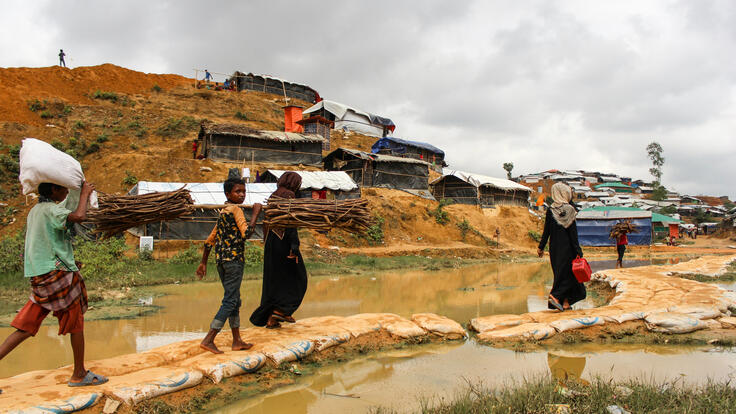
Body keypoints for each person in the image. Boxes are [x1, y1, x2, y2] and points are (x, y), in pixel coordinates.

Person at [0, 181, 108, 387]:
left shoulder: (35, 211)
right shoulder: (52, 209)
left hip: (40, 276)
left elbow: (51, 239)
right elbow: (79, 217)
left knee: (25, 327)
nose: (67, 192)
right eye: (63, 189)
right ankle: (79, 374)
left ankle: (79, 372)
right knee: (76, 321)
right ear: (54, 191)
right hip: (57, 275)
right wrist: (84, 193)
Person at [196, 177, 260, 354]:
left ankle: (237, 340)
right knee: (230, 300)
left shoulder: (223, 212)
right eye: (238, 191)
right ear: (227, 194)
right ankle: (209, 339)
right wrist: (255, 213)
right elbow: (247, 233)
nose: (242, 195)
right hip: (234, 262)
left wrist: (203, 263)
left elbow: (210, 240)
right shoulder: (236, 210)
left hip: (221, 262)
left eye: (244, 191)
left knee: (235, 300)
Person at [250, 172, 308, 329]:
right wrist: (294, 247)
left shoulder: (274, 195)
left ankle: (272, 319)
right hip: (284, 243)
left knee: (276, 280)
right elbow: (289, 223)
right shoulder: (289, 195)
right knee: (299, 278)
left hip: (271, 242)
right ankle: (282, 310)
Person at [537, 183, 585, 311]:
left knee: (560, 275)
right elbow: (573, 234)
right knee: (570, 276)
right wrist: (578, 251)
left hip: (555, 250)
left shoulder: (551, 210)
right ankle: (555, 296)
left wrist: (541, 247)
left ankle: (565, 303)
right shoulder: (569, 210)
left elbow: (546, 231)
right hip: (568, 249)